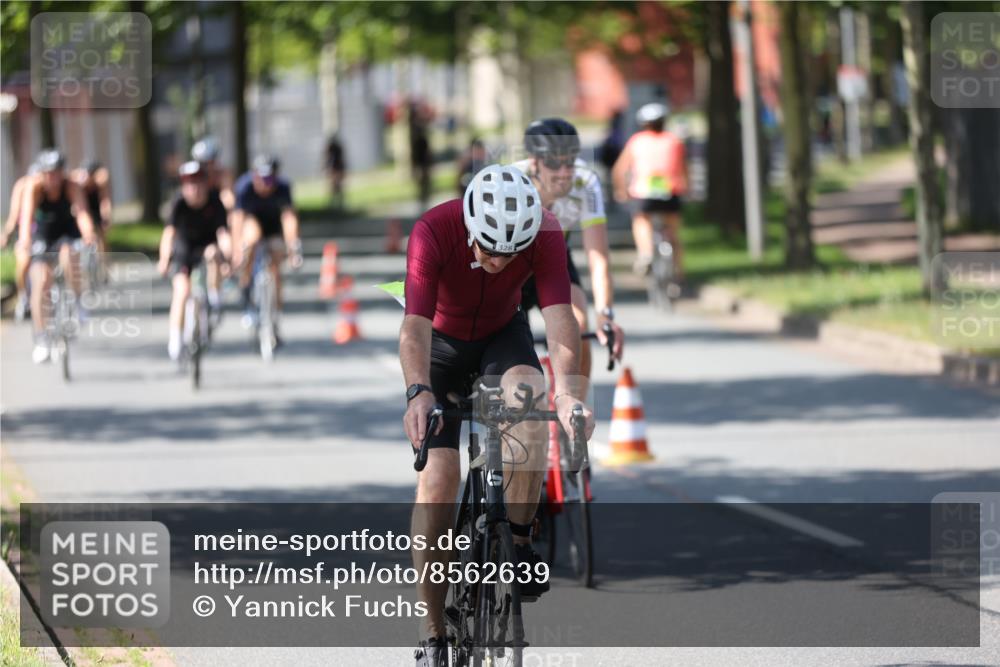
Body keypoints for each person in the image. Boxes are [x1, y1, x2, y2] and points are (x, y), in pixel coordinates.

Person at [401, 165, 595, 666]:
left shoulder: (546, 231)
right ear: (469, 226)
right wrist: (418, 393)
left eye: (512, 252)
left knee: (529, 404)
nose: (499, 260)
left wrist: (570, 393)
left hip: (500, 335)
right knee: (439, 483)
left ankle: (520, 539)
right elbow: (415, 329)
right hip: (440, 351)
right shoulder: (433, 231)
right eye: (489, 248)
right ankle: (434, 630)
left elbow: (559, 321)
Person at [515, 118, 625, 389]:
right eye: (554, 163)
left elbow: (597, 255)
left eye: (570, 161)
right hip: (510, 265)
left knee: (578, 326)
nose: (565, 172)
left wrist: (606, 314)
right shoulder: (512, 183)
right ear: (534, 162)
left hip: (553, 259)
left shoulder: (585, 183)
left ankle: (573, 416)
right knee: (513, 346)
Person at [17, 149, 96, 363]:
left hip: (65, 232)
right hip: (43, 234)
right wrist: (25, 241)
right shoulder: (33, 188)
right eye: (48, 173)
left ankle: (78, 300)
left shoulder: (71, 186)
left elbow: (81, 213)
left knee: (70, 255)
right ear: (41, 174)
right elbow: (25, 218)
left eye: (57, 172)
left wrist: (89, 234)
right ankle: (42, 338)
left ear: (63, 172)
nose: (53, 178)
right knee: (41, 280)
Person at [156, 161, 231, 361]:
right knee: (182, 291)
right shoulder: (178, 203)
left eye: (198, 182)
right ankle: (176, 338)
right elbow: (169, 234)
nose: (194, 188)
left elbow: (223, 234)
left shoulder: (215, 201)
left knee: (213, 254)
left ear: (206, 184)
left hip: (208, 247)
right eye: (189, 183)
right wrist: (164, 259)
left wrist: (227, 257)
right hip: (184, 250)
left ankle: (215, 300)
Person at [612, 102, 688, 280]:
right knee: (673, 232)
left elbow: (620, 170)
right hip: (671, 192)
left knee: (641, 220)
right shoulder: (674, 141)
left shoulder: (637, 141)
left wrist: (621, 190)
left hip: (643, 193)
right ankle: (678, 270)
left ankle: (645, 254)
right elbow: (684, 169)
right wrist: (687, 187)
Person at [231, 155, 302, 335]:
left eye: (269, 179)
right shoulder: (244, 187)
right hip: (252, 222)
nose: (265, 184)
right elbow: (238, 219)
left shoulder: (283, 187)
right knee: (251, 241)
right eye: (261, 178)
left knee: (276, 265)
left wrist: (293, 247)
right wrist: (237, 249)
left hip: (273, 225)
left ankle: (276, 314)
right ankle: (246, 291)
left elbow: (289, 218)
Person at [1, 161, 40, 321]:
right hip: (25, 231)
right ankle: (24, 296)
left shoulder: (50, 189)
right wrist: (6, 235)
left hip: (45, 231)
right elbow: (14, 215)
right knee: (23, 264)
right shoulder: (22, 187)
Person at [74, 160, 112, 266]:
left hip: (95, 206)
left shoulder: (100, 183)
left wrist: (106, 217)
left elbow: (105, 201)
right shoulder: (78, 182)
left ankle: (104, 263)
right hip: (83, 206)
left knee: (101, 235)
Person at [191, 136, 235, 211]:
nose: (208, 167)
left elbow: (229, 201)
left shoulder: (222, 175)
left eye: (211, 162)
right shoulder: (194, 177)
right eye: (203, 163)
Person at [324, 135, 346, 209]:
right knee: (336, 186)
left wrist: (326, 167)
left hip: (336, 168)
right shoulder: (337, 147)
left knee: (336, 186)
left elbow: (328, 158)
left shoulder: (333, 147)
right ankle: (337, 202)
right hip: (337, 168)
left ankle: (338, 202)